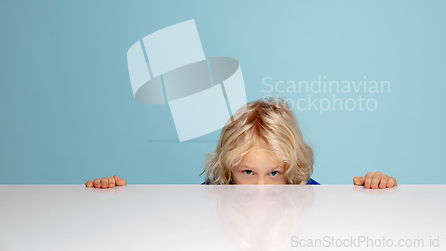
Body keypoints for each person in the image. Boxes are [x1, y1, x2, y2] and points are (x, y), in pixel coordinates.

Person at [85, 96, 397, 188]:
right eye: (247, 172)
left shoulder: (307, 195)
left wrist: (374, 190)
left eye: (274, 173)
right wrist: (114, 200)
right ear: (228, 167)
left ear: (291, 169)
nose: (260, 189)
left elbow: (345, 228)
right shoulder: (215, 194)